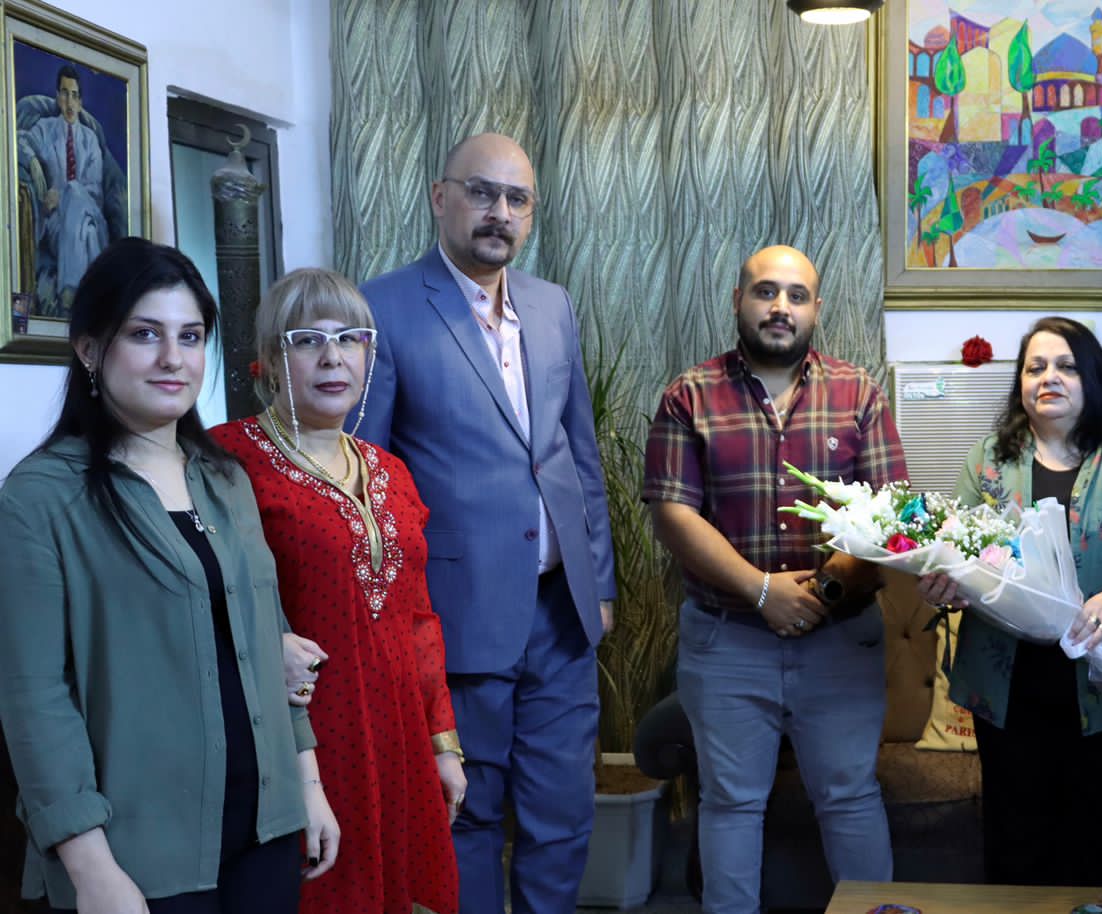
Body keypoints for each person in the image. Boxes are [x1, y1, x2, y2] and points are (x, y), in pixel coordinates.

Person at [0, 238, 338, 913]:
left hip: (265, 829)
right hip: (136, 849)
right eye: (144, 334)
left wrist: (307, 782)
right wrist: (91, 868)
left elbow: (267, 644)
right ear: (90, 349)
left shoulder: (225, 480)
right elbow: (35, 699)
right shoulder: (41, 497)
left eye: (190, 336)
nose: (173, 359)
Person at [357, 132, 616, 914]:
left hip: (561, 614)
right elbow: (366, 477)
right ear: (441, 198)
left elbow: (578, 454)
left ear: (531, 214)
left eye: (516, 199)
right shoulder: (382, 307)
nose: (499, 212)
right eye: (482, 192)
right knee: (465, 816)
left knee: (562, 818)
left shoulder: (551, 304)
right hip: (456, 617)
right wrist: (391, 618)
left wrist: (600, 582)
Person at [643, 245, 907, 913]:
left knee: (850, 798)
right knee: (731, 803)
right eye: (765, 292)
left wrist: (819, 595)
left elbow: (892, 517)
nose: (780, 307)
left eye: (796, 295)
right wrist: (762, 592)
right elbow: (673, 513)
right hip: (726, 640)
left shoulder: (859, 393)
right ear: (739, 300)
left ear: (817, 308)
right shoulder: (689, 395)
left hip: (839, 639)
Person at [211, 268, 463, 914]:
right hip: (300, 735)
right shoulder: (226, 461)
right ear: (268, 360)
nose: (333, 357)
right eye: (307, 340)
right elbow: (205, 596)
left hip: (398, 733)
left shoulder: (391, 471)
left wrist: (442, 742)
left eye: (350, 339)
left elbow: (418, 619)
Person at [916, 317, 1102, 887]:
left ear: (1093, 378)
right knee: (1016, 853)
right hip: (1010, 692)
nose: (1049, 377)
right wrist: (945, 584)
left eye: (1066, 366)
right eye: (1035, 367)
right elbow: (958, 551)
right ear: (1020, 383)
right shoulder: (988, 460)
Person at [21, 64, 108, 315]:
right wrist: (32, 161)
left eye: (75, 95)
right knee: (88, 234)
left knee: (74, 191)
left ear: (80, 102)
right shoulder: (45, 128)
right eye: (65, 93)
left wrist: (65, 195)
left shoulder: (90, 140)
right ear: (57, 97)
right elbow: (19, 140)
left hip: (90, 214)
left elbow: (95, 193)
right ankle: (97, 303)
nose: (70, 102)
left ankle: (69, 289)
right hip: (56, 225)